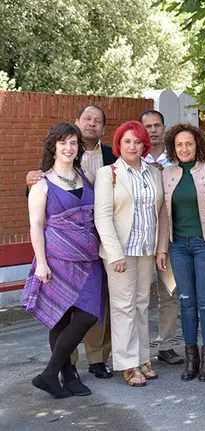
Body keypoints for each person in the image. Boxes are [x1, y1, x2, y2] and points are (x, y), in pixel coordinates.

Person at [26, 105, 115, 380]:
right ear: (53, 147)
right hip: (57, 259)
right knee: (60, 317)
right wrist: (41, 263)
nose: (68, 147)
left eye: (73, 143)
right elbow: (36, 224)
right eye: (63, 143)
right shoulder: (42, 182)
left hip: (90, 259)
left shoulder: (85, 178)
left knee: (89, 314)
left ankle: (50, 374)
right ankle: (66, 374)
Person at [156, 124, 205, 382]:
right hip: (178, 246)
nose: (184, 148)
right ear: (173, 148)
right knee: (186, 302)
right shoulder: (167, 174)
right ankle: (191, 359)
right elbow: (164, 215)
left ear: (197, 144)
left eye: (188, 143)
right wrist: (162, 249)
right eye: (179, 145)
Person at [94, 121, 164, 387]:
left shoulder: (153, 172)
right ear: (119, 145)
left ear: (145, 145)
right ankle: (127, 363)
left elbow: (160, 213)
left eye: (137, 142)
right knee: (123, 307)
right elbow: (102, 216)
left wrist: (160, 248)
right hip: (121, 251)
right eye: (127, 141)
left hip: (146, 249)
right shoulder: (108, 173)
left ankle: (143, 357)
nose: (132, 146)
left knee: (142, 305)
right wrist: (114, 254)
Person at [139, 109, 183, 366]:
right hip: (141, 239)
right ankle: (141, 350)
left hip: (169, 238)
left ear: (164, 128)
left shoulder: (176, 158)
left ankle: (166, 345)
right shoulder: (132, 156)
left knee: (169, 292)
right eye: (148, 126)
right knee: (141, 295)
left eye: (157, 125)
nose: (153, 130)